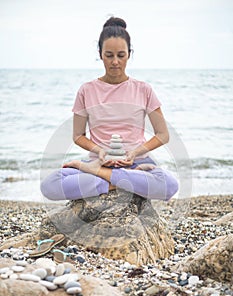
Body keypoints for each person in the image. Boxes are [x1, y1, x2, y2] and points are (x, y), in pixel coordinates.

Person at [41, 17, 178, 201]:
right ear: (100, 54)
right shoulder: (86, 90)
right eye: (109, 55)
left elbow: (163, 134)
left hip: (137, 163)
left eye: (121, 55)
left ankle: (103, 178)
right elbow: (78, 135)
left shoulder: (143, 89)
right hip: (100, 162)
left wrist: (135, 153)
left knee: (170, 184)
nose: (115, 62)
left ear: (129, 54)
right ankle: (118, 182)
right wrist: (99, 151)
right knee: (50, 185)